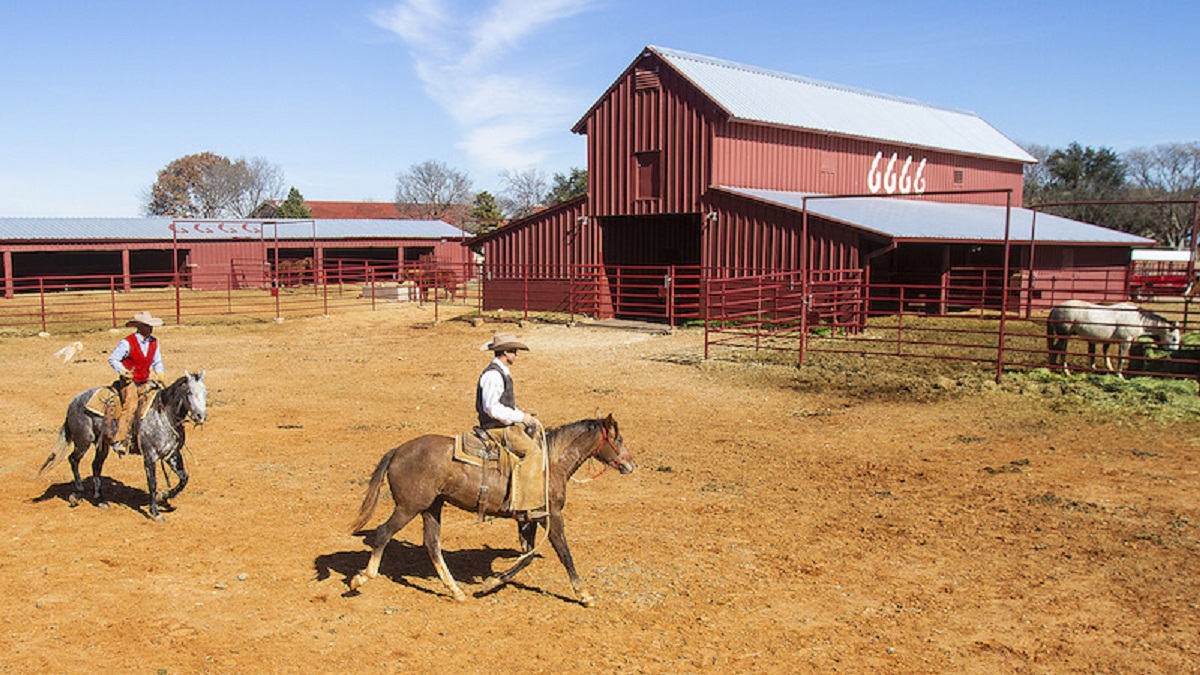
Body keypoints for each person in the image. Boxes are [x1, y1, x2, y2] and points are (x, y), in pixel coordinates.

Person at [476, 332, 546, 518]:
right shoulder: (493, 375)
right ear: (505, 352)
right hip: (496, 428)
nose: (516, 355)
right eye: (514, 351)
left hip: (501, 425)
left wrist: (523, 416)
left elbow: (504, 405)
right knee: (533, 452)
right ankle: (524, 505)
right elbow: (492, 408)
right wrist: (521, 417)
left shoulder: (500, 372)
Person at [107, 311, 166, 453]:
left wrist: (160, 373)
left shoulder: (153, 342)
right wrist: (122, 371)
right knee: (131, 405)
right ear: (140, 327)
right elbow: (113, 359)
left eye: (151, 326)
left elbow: (157, 361)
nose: (150, 329)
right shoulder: (127, 342)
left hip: (145, 380)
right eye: (147, 326)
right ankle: (120, 439)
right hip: (129, 382)